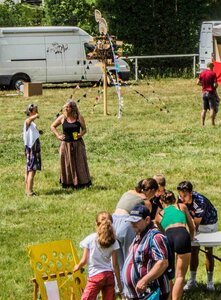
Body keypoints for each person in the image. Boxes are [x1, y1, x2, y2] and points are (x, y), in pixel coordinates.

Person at [112, 179, 159, 282]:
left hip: (113, 222)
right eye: (154, 193)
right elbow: (146, 222)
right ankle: (130, 283)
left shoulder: (128, 192)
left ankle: (118, 287)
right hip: (127, 224)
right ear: (151, 190)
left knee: (117, 260)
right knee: (129, 258)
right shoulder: (146, 202)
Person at [122, 204, 170, 300]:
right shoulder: (138, 235)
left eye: (136, 221)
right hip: (138, 295)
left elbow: (162, 263)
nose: (133, 224)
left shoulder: (156, 237)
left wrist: (144, 280)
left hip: (152, 293)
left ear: (147, 220)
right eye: (131, 221)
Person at [177, 181, 218, 291]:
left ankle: (210, 282)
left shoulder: (199, 201)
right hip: (194, 222)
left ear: (191, 193)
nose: (181, 198)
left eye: (184, 196)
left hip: (208, 225)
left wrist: (189, 234)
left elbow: (195, 225)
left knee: (209, 252)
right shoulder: (180, 198)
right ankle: (192, 280)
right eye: (180, 195)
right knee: (194, 251)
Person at [155, 191, 195, 300]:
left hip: (168, 237)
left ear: (161, 201)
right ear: (174, 200)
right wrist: (191, 237)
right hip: (182, 235)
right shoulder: (181, 206)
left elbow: (161, 232)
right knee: (180, 275)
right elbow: (191, 226)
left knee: (169, 275)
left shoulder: (159, 215)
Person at [73, 211, 123, 300]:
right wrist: (119, 282)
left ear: (96, 224)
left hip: (95, 276)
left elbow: (84, 260)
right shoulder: (114, 241)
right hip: (109, 275)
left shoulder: (90, 239)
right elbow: (115, 265)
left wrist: (77, 266)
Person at [50, 100, 91, 188]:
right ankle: (68, 182)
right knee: (67, 164)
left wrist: (80, 134)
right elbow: (52, 126)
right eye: (65, 107)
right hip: (66, 144)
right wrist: (58, 135)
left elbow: (84, 129)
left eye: (67, 107)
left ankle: (82, 182)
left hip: (77, 144)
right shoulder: (62, 118)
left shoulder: (79, 117)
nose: (65, 108)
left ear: (72, 108)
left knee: (79, 163)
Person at [23, 103, 41, 196]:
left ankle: (27, 190)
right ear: (30, 112)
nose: (36, 111)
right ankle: (30, 192)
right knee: (32, 170)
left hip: (33, 149)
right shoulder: (27, 120)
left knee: (29, 170)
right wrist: (36, 115)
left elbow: (31, 134)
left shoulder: (32, 124)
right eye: (34, 109)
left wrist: (38, 132)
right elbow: (29, 120)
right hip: (31, 150)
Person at [197, 61, 219, 126]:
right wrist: (216, 85)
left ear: (207, 66)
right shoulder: (213, 73)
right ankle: (212, 124)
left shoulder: (202, 73)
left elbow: (197, 82)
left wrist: (203, 85)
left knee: (204, 109)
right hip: (211, 93)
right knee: (212, 108)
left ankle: (202, 124)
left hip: (204, 93)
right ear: (212, 66)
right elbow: (215, 85)